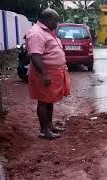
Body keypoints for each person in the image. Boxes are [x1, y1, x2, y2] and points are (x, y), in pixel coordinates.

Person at [26, 9, 70, 140]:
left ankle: (49, 126)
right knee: (44, 101)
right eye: (55, 20)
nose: (57, 23)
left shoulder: (47, 31)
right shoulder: (36, 33)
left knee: (49, 100)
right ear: (47, 19)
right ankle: (44, 130)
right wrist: (44, 74)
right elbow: (35, 56)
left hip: (53, 72)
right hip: (44, 72)